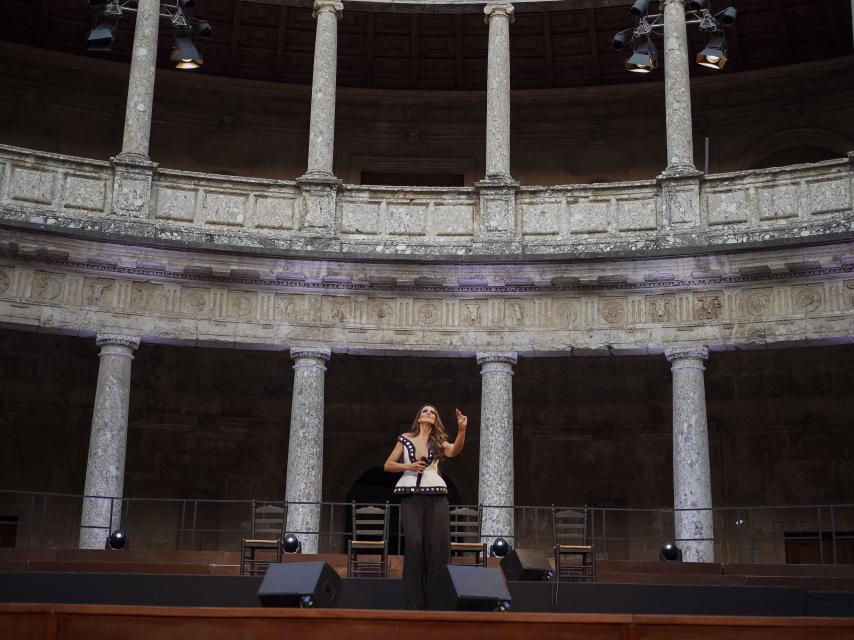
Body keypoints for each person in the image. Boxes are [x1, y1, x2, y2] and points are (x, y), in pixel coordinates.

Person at [384, 405, 467, 610]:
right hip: (410, 495)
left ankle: (435, 603)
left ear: (435, 419)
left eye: (432, 412)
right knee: (414, 543)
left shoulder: (438, 442)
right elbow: (388, 465)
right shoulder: (405, 438)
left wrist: (462, 430)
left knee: (436, 547)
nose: (428, 413)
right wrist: (408, 467)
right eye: (425, 411)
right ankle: (414, 604)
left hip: (436, 495)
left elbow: (454, 450)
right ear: (419, 418)